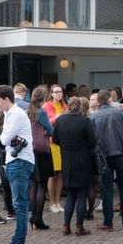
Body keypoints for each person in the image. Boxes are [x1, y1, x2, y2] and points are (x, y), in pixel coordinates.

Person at [90, 89, 123, 230]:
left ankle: (108, 222)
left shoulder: (93, 117)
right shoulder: (119, 112)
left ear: (99, 101)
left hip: (104, 156)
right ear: (110, 100)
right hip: (122, 153)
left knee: (107, 189)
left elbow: (91, 139)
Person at [0, 84, 34, 244]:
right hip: (15, 161)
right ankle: (17, 241)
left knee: (19, 204)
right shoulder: (9, 114)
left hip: (19, 161)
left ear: (6, 99)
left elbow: (4, 139)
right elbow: (6, 138)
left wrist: (6, 138)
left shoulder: (16, 115)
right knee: (19, 203)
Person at [53, 96, 98, 235]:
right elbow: (92, 141)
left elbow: (55, 139)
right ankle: (79, 226)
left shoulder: (60, 120)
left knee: (70, 195)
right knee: (81, 195)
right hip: (83, 161)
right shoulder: (85, 121)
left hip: (66, 160)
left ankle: (66, 225)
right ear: (80, 107)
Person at [26, 86, 54, 231]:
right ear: (44, 98)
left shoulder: (27, 110)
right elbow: (50, 129)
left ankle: (33, 216)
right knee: (42, 184)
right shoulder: (41, 111)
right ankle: (38, 218)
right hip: (42, 150)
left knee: (33, 185)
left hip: (30, 151)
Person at [43, 84, 66, 213]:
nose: (59, 94)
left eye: (61, 92)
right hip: (51, 143)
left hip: (62, 142)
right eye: (56, 92)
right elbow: (45, 122)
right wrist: (55, 118)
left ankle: (58, 202)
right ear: (51, 93)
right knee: (53, 174)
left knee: (60, 173)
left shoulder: (64, 106)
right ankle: (52, 202)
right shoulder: (46, 106)